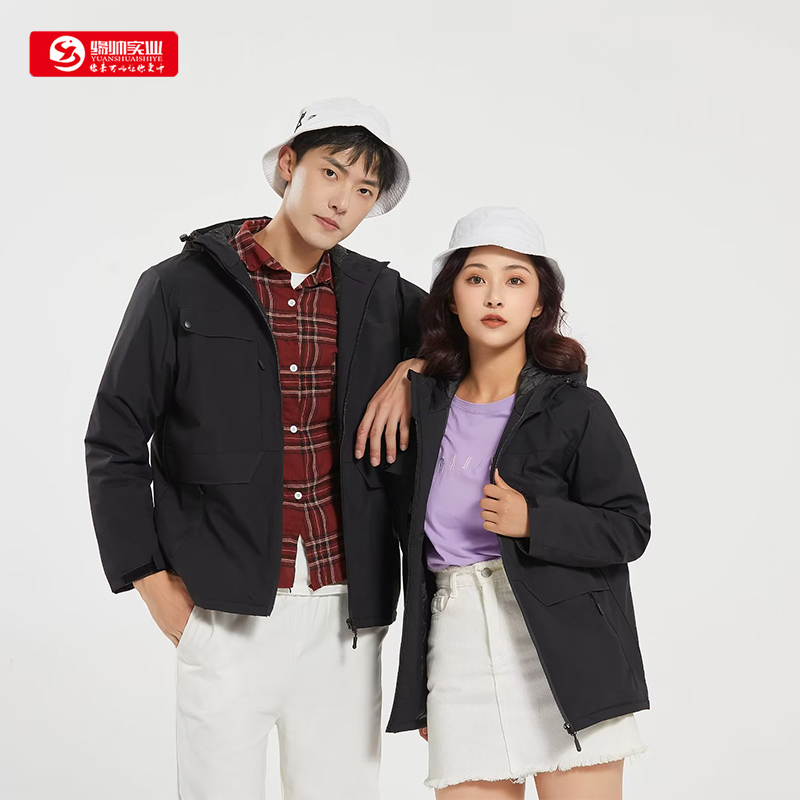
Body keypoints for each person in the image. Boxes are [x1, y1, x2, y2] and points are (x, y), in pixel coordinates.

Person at [84, 97, 428, 799]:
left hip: (346, 615)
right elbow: (113, 439)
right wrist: (152, 585)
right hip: (223, 611)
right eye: (331, 173)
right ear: (288, 165)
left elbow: (487, 336)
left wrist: (413, 368)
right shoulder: (178, 286)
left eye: (365, 190)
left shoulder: (383, 298)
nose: (343, 201)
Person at [385, 206, 651, 799]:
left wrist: (535, 521)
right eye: (475, 278)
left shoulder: (575, 408)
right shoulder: (423, 409)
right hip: (457, 641)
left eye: (515, 280)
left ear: (538, 304)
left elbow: (629, 528)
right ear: (451, 299)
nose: (494, 296)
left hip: (566, 644)